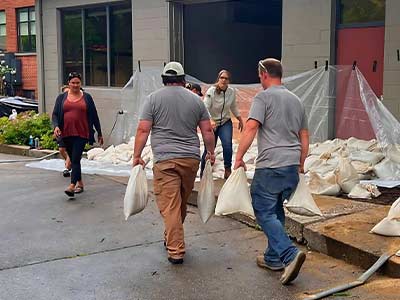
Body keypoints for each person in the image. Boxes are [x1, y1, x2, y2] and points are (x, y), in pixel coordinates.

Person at [234, 58, 309, 285]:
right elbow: (304, 135)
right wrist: (301, 162)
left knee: (263, 211)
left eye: (259, 75)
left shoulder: (263, 97)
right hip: (291, 166)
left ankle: (289, 254)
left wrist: (238, 157)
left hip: (271, 165)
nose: (259, 79)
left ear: (264, 74)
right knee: (275, 210)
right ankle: (272, 258)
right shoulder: (296, 100)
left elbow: (251, 126)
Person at [133, 62, 215, 264]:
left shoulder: (152, 99)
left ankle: (176, 250)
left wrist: (137, 155)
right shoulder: (196, 101)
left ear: (163, 79)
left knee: (170, 205)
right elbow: (207, 131)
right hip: (190, 159)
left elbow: (143, 130)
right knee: (179, 202)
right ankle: (172, 235)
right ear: (183, 79)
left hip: (165, 159)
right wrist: (210, 152)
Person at [52, 72, 103, 197]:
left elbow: (94, 115)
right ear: (68, 83)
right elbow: (55, 115)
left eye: (77, 83)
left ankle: (72, 185)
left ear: (81, 84)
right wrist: (56, 126)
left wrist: (99, 133)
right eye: (73, 83)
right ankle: (80, 183)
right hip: (66, 133)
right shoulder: (61, 98)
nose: (75, 85)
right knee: (74, 160)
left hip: (82, 133)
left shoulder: (87, 97)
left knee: (75, 159)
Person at [200, 69, 243, 179]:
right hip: (212, 124)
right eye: (221, 78)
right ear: (218, 79)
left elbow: (233, 106)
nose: (223, 80)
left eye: (226, 78)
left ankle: (227, 170)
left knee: (228, 145)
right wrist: (210, 120)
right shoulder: (212, 91)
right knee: (209, 150)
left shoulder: (231, 92)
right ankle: (203, 173)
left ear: (229, 81)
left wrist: (239, 118)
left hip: (225, 122)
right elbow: (205, 107)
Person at [58, 85, 71, 177]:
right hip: (63, 130)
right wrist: (56, 127)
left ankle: (67, 168)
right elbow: (55, 115)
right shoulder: (60, 103)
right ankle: (69, 161)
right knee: (62, 149)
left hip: (74, 130)